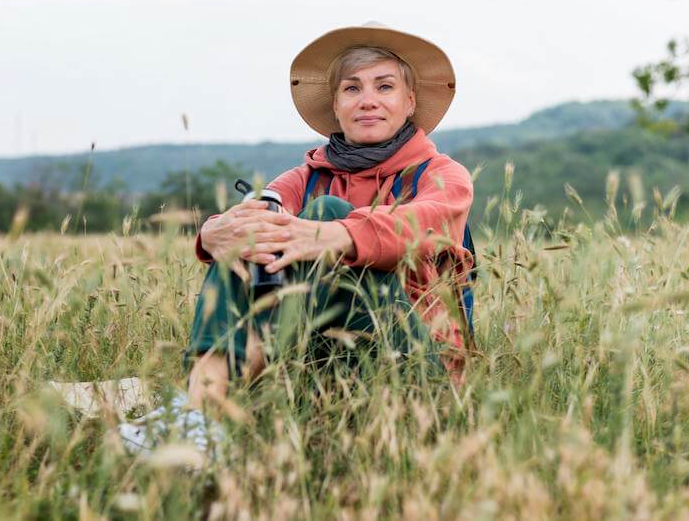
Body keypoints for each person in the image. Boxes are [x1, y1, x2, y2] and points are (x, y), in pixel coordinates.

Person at [119, 22, 474, 455]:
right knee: (249, 235)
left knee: (327, 211)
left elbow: (420, 228)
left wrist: (332, 233)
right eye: (352, 89)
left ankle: (196, 408)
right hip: (312, 362)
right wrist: (215, 232)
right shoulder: (304, 177)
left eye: (384, 87)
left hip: (407, 363)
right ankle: (199, 418)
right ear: (337, 104)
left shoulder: (441, 176)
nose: (368, 101)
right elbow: (249, 222)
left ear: (409, 101)